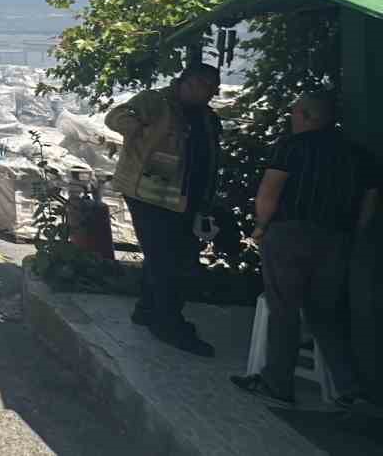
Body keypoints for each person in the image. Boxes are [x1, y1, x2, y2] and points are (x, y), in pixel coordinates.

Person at [230, 92, 380, 409]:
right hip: (337, 240)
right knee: (325, 313)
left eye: (296, 113)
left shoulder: (292, 146)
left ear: (307, 116)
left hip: (291, 233)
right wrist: (352, 236)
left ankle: (277, 384)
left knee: (284, 309)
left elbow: (270, 190)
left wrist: (260, 227)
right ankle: (349, 387)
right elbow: (369, 204)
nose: (292, 118)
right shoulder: (360, 155)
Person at [105, 63, 223, 356]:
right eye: (200, 84)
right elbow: (116, 117)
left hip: (184, 197)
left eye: (211, 87)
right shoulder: (155, 101)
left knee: (165, 255)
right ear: (183, 81)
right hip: (149, 194)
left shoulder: (206, 116)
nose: (206, 92)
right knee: (169, 260)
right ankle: (168, 321)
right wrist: (140, 131)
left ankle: (146, 310)